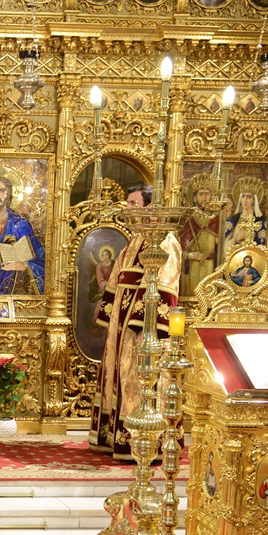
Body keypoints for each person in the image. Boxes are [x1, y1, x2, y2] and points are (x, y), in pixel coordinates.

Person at [90, 184, 181, 459]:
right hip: (121, 326)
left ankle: (144, 441)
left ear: (149, 207)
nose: (128, 209)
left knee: (139, 380)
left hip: (140, 328)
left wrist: (145, 327)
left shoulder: (165, 241)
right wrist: (105, 312)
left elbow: (164, 286)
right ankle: (115, 437)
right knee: (118, 377)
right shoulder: (134, 240)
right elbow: (117, 279)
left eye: (133, 204)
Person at [178, 182, 220, 294]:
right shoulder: (187, 218)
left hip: (210, 266)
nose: (205, 198)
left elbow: (220, 246)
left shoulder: (216, 219)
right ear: (195, 198)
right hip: (192, 265)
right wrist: (188, 255)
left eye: (207, 194)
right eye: (201, 194)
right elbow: (177, 246)